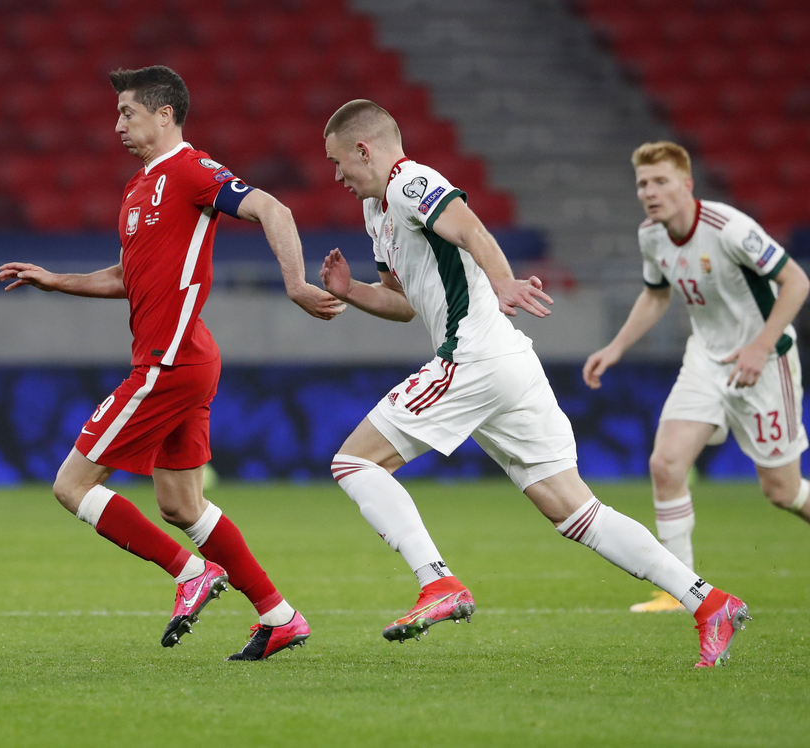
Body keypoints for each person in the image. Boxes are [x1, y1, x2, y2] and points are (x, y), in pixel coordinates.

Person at [318, 101, 747, 667]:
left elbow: (470, 228)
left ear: (364, 149)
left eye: (338, 162)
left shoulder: (409, 181)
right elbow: (402, 303)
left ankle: (437, 581)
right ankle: (709, 602)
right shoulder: (377, 212)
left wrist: (503, 283)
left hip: (473, 357)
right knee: (575, 512)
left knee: (354, 462)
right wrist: (350, 291)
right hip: (505, 365)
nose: (336, 175)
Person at [0, 66, 343, 660]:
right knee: (181, 504)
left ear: (165, 115)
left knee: (71, 485)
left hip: (170, 360)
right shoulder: (137, 188)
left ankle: (191, 572)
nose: (117, 125)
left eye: (127, 112)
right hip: (186, 358)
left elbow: (274, 209)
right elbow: (126, 276)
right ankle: (279, 616)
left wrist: (295, 283)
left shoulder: (191, 169)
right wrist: (57, 280)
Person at [584, 141, 810, 613]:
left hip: (765, 364)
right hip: (705, 361)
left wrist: (760, 346)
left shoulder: (729, 228)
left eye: (660, 181)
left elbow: (797, 281)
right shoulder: (652, 235)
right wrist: (616, 347)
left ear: (687, 185)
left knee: (783, 492)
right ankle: (679, 590)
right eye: (643, 184)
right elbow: (656, 295)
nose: (649, 192)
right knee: (666, 465)